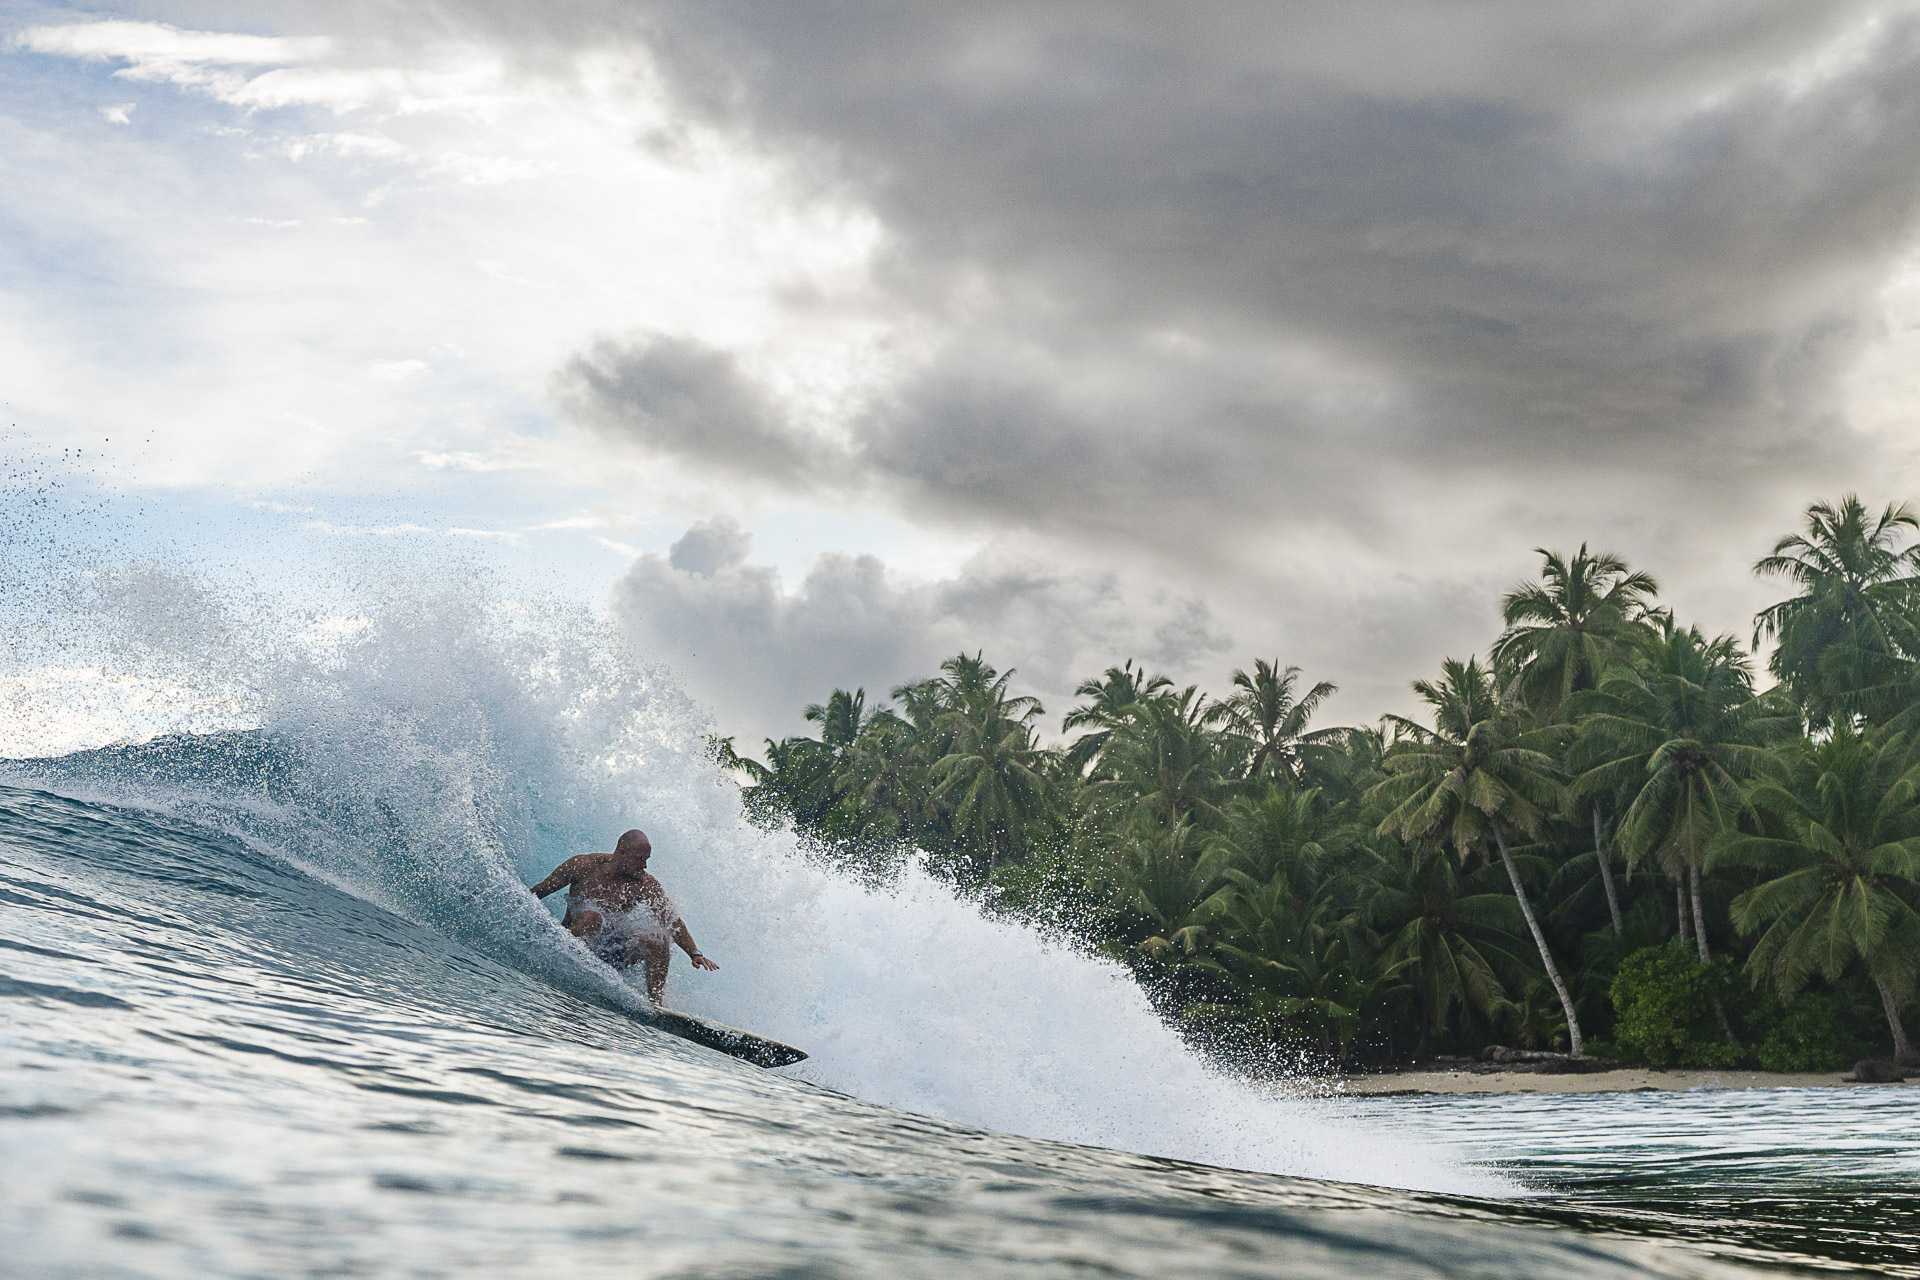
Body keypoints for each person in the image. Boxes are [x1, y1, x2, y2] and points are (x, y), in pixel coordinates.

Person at [530, 829, 718, 1004]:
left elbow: (671, 921)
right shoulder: (583, 866)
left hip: (612, 953)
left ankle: (657, 1005)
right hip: (573, 947)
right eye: (640, 859)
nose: (644, 865)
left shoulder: (645, 884)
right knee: (591, 917)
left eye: (647, 859)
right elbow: (540, 891)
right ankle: (567, 974)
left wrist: (694, 953)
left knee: (659, 939)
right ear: (621, 853)